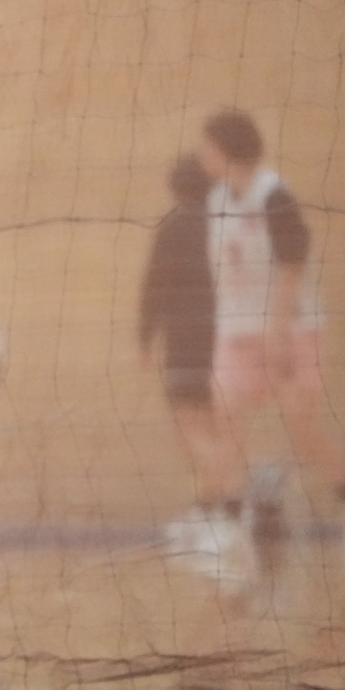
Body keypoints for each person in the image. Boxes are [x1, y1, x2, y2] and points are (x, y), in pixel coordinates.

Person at [197, 110, 345, 612]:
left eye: (207, 144)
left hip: (291, 327)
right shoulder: (214, 200)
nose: (201, 153)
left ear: (227, 147)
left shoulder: (275, 195)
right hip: (237, 330)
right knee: (226, 418)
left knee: (300, 426)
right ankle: (233, 525)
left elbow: (292, 265)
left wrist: (276, 332)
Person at [141, 155, 226, 500]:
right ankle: (214, 506)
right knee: (213, 427)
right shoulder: (224, 222)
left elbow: (154, 285)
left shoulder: (174, 225)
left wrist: (144, 339)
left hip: (187, 340)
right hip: (225, 336)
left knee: (188, 424)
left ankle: (232, 500)